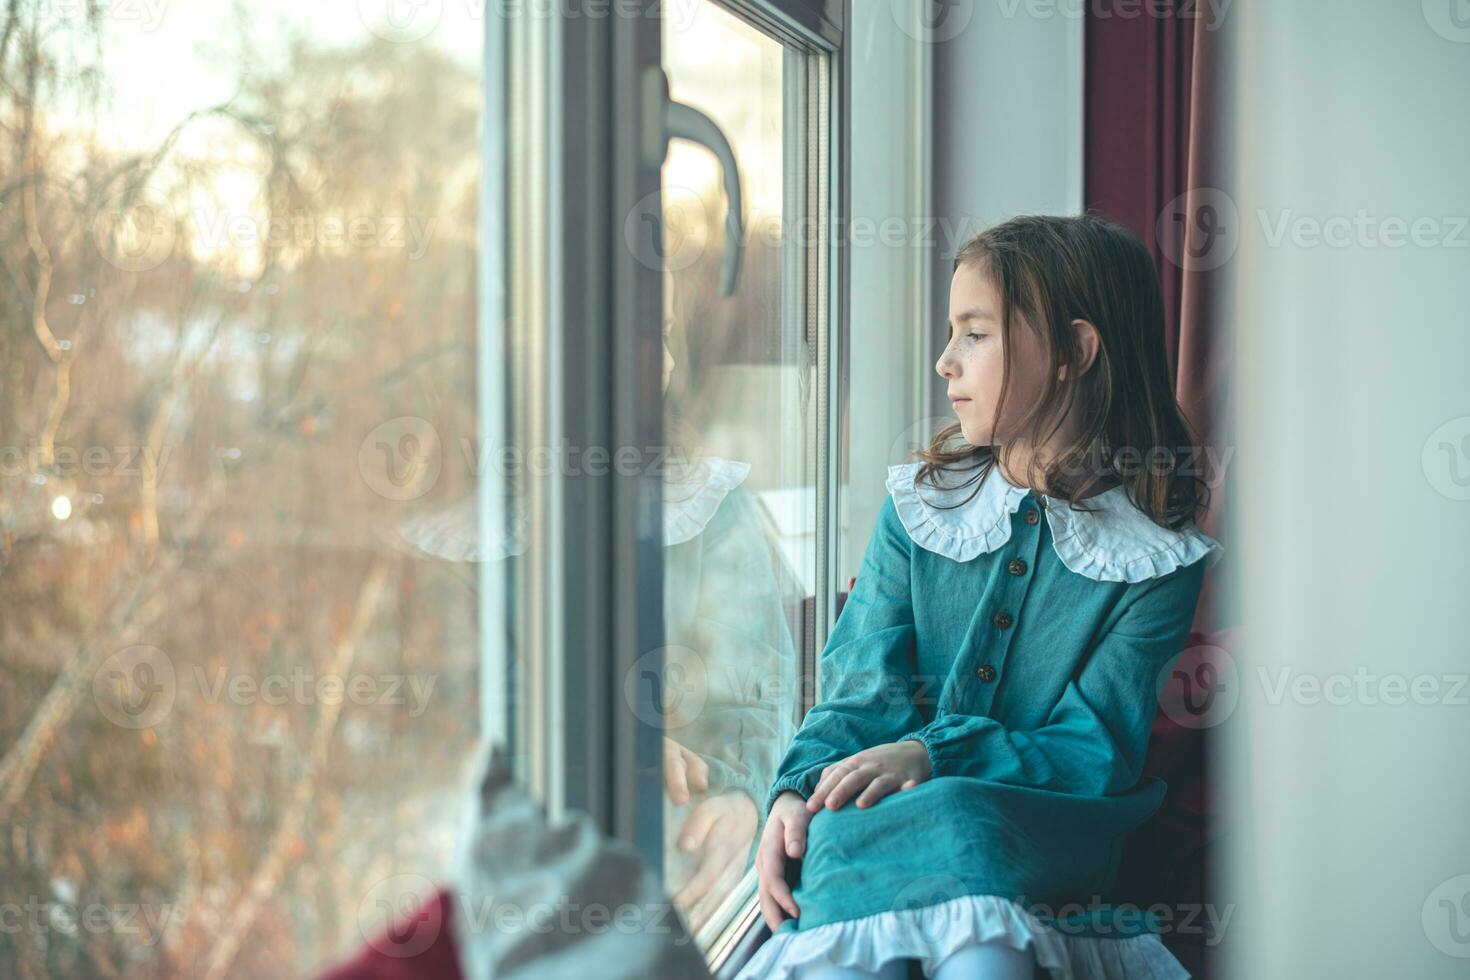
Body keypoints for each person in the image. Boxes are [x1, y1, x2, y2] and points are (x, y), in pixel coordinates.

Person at [740, 214, 1224, 980]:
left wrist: (932, 756)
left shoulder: (1159, 559)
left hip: (1033, 844)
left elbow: (1091, 751)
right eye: (950, 333)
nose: (944, 362)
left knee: (982, 935)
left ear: (1075, 351)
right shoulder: (919, 506)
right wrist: (795, 792)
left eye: (975, 333)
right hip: (879, 829)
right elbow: (859, 689)